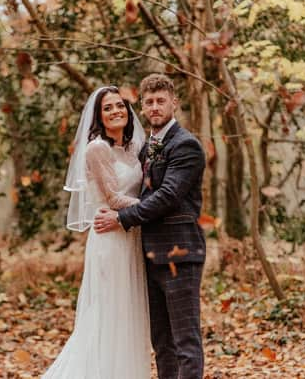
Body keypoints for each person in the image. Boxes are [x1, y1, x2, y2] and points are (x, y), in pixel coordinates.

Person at [94, 74, 206, 379]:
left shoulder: (186, 146)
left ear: (174, 103)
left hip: (179, 253)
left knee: (185, 341)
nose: (155, 107)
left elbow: (168, 196)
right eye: (149, 102)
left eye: (161, 101)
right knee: (162, 343)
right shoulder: (147, 146)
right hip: (149, 255)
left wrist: (121, 219)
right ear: (142, 107)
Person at [42, 86, 151, 378]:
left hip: (131, 235)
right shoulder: (97, 148)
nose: (116, 111)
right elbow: (114, 198)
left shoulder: (133, 148)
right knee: (108, 313)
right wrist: (158, 207)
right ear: (99, 117)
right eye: (108, 108)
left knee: (127, 313)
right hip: (111, 239)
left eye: (120, 105)